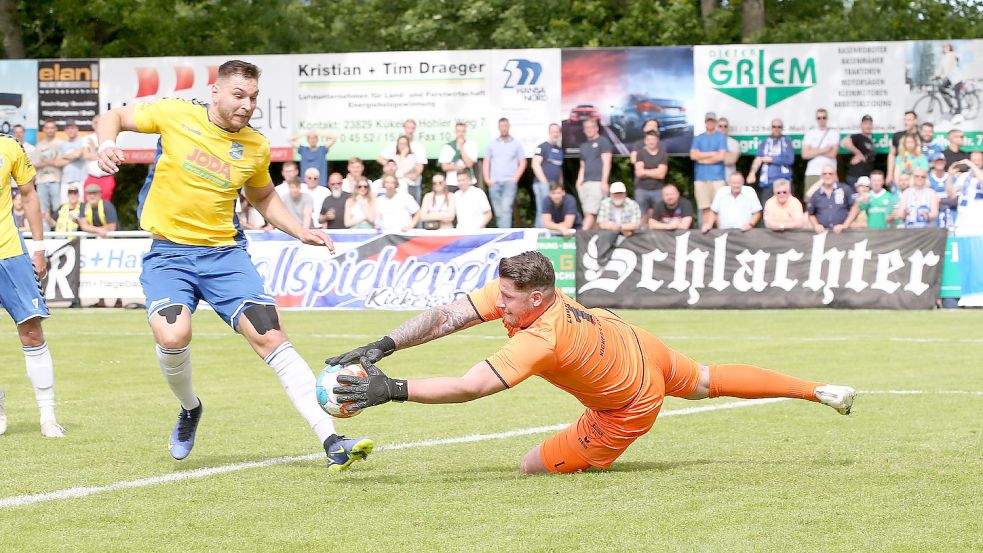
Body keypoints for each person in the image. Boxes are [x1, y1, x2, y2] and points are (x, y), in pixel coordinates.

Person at [325, 251, 857, 474]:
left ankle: (813, 391)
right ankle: (817, 389)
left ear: (535, 298)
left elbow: (471, 387)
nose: (497, 302)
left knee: (531, 467)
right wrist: (381, 347)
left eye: (507, 298)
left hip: (629, 404)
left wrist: (387, 390)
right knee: (705, 380)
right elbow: (447, 316)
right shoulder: (529, 296)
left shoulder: (543, 338)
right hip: (636, 343)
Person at [95, 60, 372, 469]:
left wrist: (300, 230)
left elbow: (262, 197)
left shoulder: (256, 146)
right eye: (239, 96)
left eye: (254, 98)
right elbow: (111, 116)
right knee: (173, 337)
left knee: (271, 337)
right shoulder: (176, 114)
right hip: (169, 253)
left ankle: (332, 439)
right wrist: (105, 144)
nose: (247, 105)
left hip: (226, 256)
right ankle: (190, 408)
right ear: (216, 93)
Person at [0, 133, 64, 438]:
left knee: (31, 331)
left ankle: (47, 416)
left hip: (10, 252)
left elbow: (29, 194)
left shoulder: (9, 146)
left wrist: (39, 247)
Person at [483, 118, 526, 229]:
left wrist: (515, 178)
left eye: (505, 126)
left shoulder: (516, 144)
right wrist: (487, 179)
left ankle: (504, 235)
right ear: (499, 127)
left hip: (509, 182)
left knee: (506, 209)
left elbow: (523, 162)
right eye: (501, 126)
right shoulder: (492, 144)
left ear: (509, 126)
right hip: (494, 182)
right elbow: (486, 161)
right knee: (498, 212)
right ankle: (503, 235)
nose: (504, 128)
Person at [689, 112, 728, 225]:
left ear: (715, 123)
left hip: (717, 178)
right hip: (701, 178)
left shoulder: (721, 137)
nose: (710, 123)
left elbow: (721, 156)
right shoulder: (698, 138)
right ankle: (706, 236)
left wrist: (702, 157)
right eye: (708, 121)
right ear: (705, 122)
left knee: (719, 209)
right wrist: (712, 154)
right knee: (705, 208)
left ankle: (721, 234)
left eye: (712, 121)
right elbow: (693, 156)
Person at [575, 118, 612, 230]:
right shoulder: (583, 146)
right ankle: (592, 240)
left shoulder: (603, 141)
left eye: (591, 127)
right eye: (586, 128)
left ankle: (580, 236)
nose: (589, 130)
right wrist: (578, 182)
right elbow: (582, 166)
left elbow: (607, 162)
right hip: (584, 184)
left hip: (597, 182)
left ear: (596, 128)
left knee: (591, 213)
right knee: (590, 213)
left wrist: (604, 181)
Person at [378, 119, 427, 203]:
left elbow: (421, 164)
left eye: (412, 128)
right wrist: (391, 168)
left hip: (412, 184)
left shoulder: (418, 146)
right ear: (404, 128)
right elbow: (380, 158)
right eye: (408, 127)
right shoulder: (394, 145)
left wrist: (416, 174)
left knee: (413, 208)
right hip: (396, 184)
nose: (410, 130)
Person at [747, 118, 794, 204]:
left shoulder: (787, 141)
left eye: (779, 127)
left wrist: (772, 159)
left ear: (782, 128)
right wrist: (752, 173)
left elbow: (790, 160)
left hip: (784, 181)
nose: (776, 128)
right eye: (774, 126)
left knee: (787, 208)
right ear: (771, 128)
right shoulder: (765, 142)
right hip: (768, 182)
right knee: (767, 207)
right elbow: (758, 159)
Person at [807, 164, 858, 233]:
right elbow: (811, 213)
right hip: (823, 234)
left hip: (843, 233)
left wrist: (845, 225)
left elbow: (855, 207)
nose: (827, 176)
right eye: (825, 174)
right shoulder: (816, 194)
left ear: (835, 175)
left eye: (830, 174)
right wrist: (816, 225)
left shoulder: (845, 189)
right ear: (821, 176)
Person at [32, 119, 64, 229]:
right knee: (43, 210)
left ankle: (60, 234)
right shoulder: (39, 145)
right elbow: (35, 164)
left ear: (55, 129)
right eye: (47, 128)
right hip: (41, 181)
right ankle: (46, 235)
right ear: (44, 130)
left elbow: (62, 162)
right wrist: (52, 162)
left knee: (58, 208)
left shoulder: (60, 143)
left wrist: (47, 162)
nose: (50, 130)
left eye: (52, 127)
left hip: (56, 180)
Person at [531, 124, 564, 228]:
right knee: (543, 210)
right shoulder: (542, 147)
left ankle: (548, 236)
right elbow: (535, 164)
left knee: (551, 211)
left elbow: (559, 169)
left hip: (555, 187)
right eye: (553, 131)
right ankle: (539, 236)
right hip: (542, 184)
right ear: (549, 132)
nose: (555, 133)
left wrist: (561, 186)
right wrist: (544, 182)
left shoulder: (560, 150)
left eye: (557, 131)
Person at [633, 129, 668, 225]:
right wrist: (655, 171)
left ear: (657, 140)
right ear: (645, 141)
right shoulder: (640, 153)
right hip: (641, 189)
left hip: (658, 189)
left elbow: (661, 174)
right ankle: (642, 236)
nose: (651, 142)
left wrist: (645, 171)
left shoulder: (663, 154)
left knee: (658, 215)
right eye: (649, 139)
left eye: (653, 139)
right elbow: (639, 173)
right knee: (641, 215)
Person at [802, 109, 840, 193]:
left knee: (832, 200)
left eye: (824, 117)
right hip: (812, 172)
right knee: (810, 199)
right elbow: (804, 154)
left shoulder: (834, 133)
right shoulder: (810, 133)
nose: (821, 120)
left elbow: (833, 153)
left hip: (830, 172)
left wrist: (812, 151)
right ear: (816, 119)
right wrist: (825, 149)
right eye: (819, 118)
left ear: (827, 118)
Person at [82, 115, 117, 201]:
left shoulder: (111, 138)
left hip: (106, 178)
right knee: (87, 204)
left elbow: (112, 156)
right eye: (96, 123)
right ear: (93, 125)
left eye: (100, 122)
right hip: (92, 177)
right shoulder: (88, 138)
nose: (98, 125)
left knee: (105, 204)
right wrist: (102, 155)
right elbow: (86, 155)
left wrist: (94, 148)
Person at [438, 122, 478, 193]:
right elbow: (444, 167)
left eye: (462, 131)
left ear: (465, 132)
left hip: (468, 182)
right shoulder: (447, 146)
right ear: (455, 132)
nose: (460, 134)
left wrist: (461, 147)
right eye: (458, 131)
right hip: (452, 183)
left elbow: (469, 164)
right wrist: (457, 167)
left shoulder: (471, 145)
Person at [841, 114, 877, 187]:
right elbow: (845, 141)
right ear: (861, 125)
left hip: (865, 178)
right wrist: (858, 153)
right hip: (855, 176)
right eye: (865, 123)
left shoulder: (869, 141)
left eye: (870, 124)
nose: (868, 126)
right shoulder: (858, 137)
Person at [59, 121, 87, 204]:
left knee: (81, 206)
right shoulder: (63, 144)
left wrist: (64, 156)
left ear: (77, 129)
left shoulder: (83, 140)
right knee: (64, 206)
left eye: (72, 128)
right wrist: (73, 156)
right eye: (68, 128)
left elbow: (78, 154)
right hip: (66, 180)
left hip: (81, 180)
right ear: (65, 131)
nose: (70, 130)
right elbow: (57, 162)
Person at [886, 111, 918, 185]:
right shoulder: (897, 135)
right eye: (905, 120)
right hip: (899, 174)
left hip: (915, 175)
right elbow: (892, 155)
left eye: (909, 120)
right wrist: (890, 174)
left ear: (915, 121)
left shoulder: (920, 136)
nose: (906, 122)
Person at [935, 42, 964, 119]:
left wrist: (944, 75)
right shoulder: (943, 57)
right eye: (944, 46)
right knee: (940, 88)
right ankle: (951, 106)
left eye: (947, 46)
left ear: (950, 47)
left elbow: (950, 65)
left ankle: (959, 112)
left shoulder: (952, 54)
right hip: (949, 78)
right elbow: (940, 68)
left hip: (956, 78)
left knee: (957, 94)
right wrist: (935, 75)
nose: (945, 48)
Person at [928, 152, 956, 228]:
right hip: (935, 214)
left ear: (945, 162)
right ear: (933, 163)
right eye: (937, 161)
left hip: (951, 211)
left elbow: (955, 197)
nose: (939, 163)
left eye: (941, 161)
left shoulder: (952, 177)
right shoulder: (928, 179)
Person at [717, 117, 741, 181]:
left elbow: (731, 160)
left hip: (729, 179)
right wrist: (725, 155)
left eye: (725, 126)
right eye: (720, 126)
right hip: (713, 180)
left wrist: (711, 157)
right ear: (716, 127)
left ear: (728, 128)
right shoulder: (710, 141)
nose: (723, 128)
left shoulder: (734, 143)